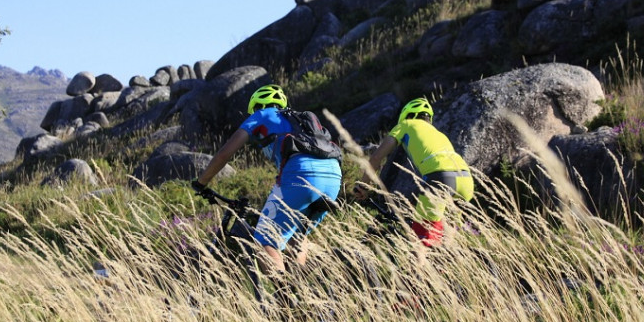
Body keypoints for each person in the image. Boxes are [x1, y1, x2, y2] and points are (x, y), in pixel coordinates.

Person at [192, 84, 342, 273]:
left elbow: (225, 153)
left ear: (257, 107)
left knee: (265, 240)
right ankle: (302, 290)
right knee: (297, 236)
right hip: (333, 178)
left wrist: (201, 182)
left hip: (301, 175)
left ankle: (283, 297)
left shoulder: (262, 115)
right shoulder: (302, 121)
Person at [354, 98, 473, 247]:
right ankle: (448, 265)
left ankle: (420, 268)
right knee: (446, 237)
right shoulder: (439, 134)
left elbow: (377, 157)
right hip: (466, 180)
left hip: (441, 178)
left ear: (407, 115)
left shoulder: (405, 124)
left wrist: (363, 186)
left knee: (420, 242)